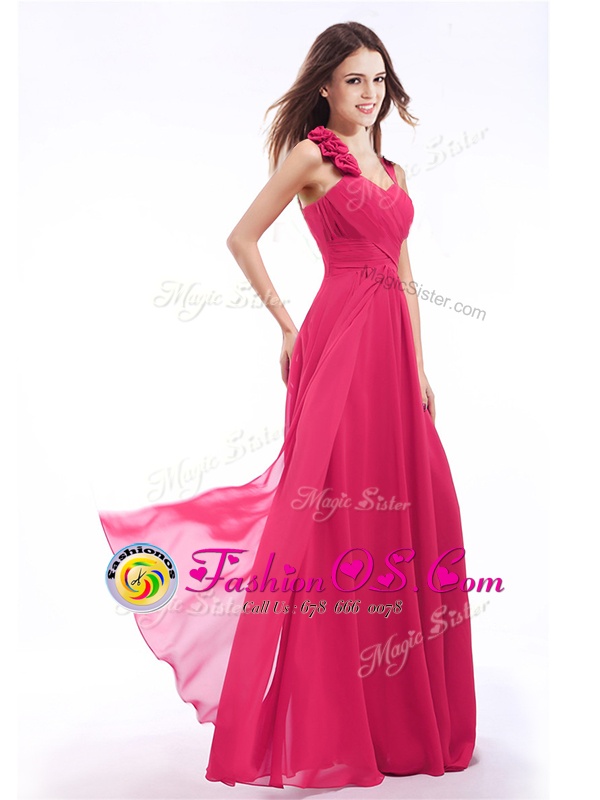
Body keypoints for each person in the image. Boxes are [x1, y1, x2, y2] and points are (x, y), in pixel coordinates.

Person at [98, 20, 477, 791]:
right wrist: (286, 325)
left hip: (393, 355)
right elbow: (242, 238)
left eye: (378, 79)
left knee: (414, 503)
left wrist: (421, 364)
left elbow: (404, 276)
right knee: (334, 515)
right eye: (354, 80)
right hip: (337, 346)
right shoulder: (311, 156)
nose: (368, 94)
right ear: (327, 86)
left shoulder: (396, 173)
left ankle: (399, 715)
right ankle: (341, 723)